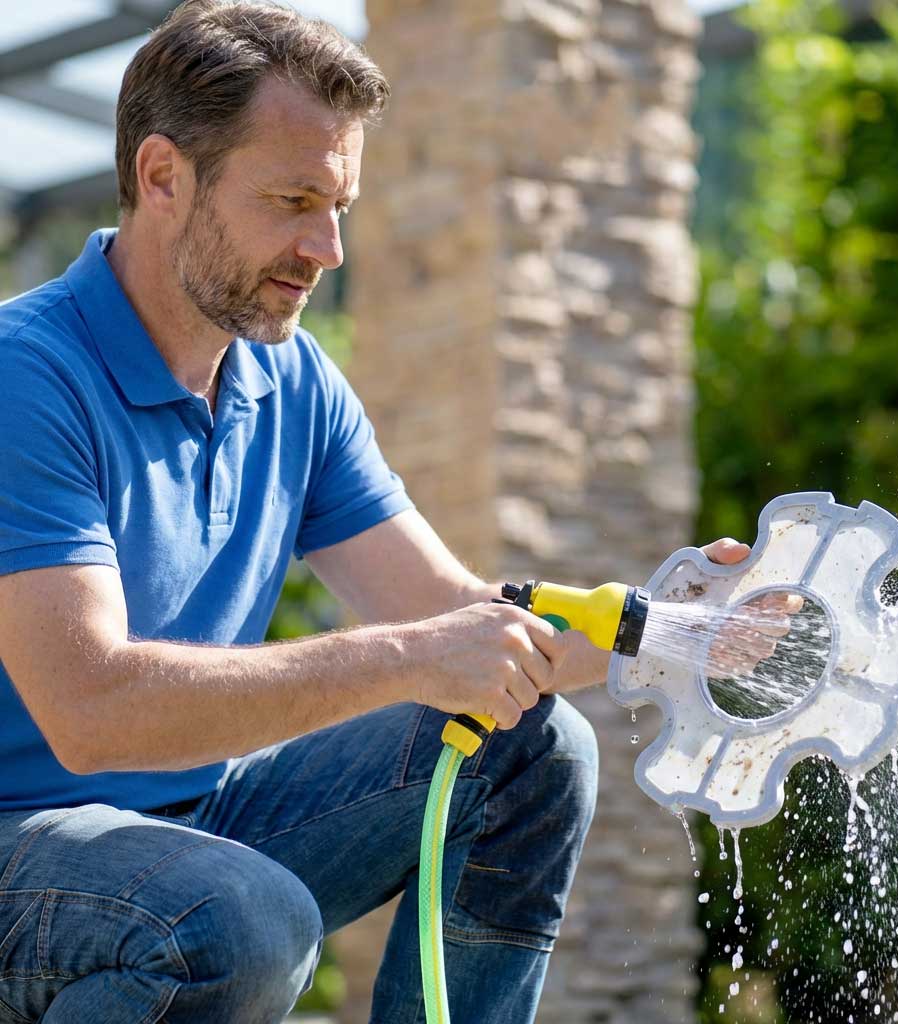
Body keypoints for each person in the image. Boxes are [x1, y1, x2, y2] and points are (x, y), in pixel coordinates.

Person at [0, 2, 776, 1021]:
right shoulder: (27, 375)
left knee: (528, 745)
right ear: (162, 177)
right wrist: (410, 657)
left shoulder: (292, 385)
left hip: (195, 828)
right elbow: (91, 710)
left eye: (340, 206)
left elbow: (457, 618)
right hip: (21, 844)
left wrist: (673, 632)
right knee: (235, 920)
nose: (327, 247)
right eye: (293, 200)